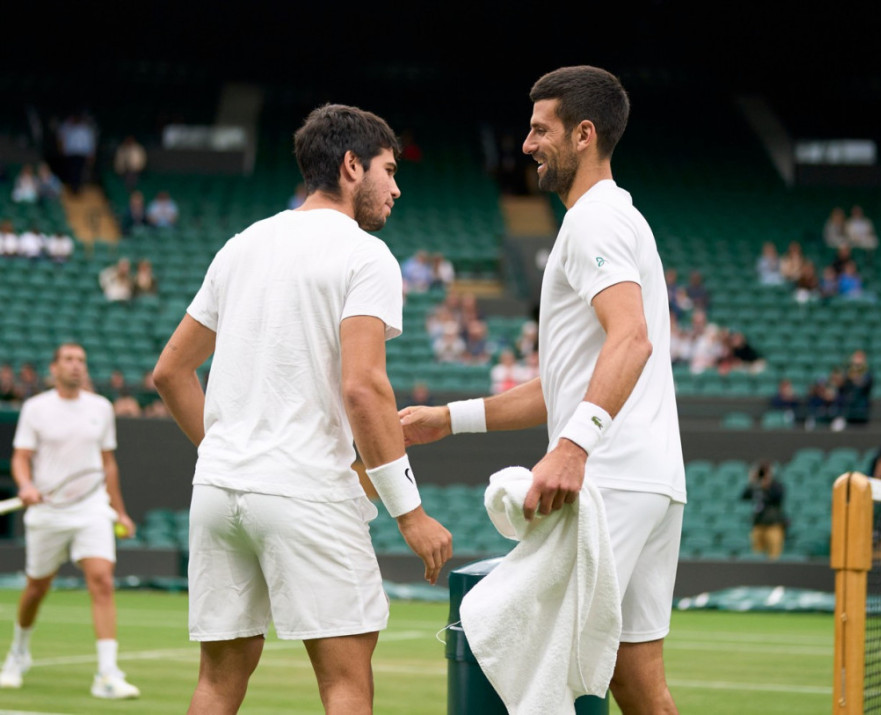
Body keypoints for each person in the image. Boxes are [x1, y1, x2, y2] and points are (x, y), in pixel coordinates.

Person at [399, 66, 684, 714]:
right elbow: (566, 382)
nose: (525, 143)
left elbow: (631, 340)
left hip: (609, 482)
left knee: (507, 645)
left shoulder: (593, 223)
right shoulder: (615, 219)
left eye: (539, 129)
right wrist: (447, 419)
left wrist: (573, 448)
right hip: (651, 480)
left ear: (584, 134)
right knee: (639, 685)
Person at [151, 103, 452, 715]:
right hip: (307, 492)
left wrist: (226, 451)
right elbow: (364, 388)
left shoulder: (242, 245)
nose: (396, 187)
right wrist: (411, 514)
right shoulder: (366, 256)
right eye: (389, 171)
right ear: (350, 166)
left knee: (217, 682)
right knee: (344, 683)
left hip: (217, 491)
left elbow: (170, 372)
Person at [0, 343, 139, 698]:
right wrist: (27, 484)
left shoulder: (101, 408)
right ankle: (17, 654)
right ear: (54, 367)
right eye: (69, 360)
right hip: (47, 511)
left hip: (92, 508)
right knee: (36, 589)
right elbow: (21, 457)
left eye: (81, 361)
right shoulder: (35, 408)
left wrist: (119, 510)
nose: (76, 366)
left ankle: (107, 674)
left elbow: (108, 464)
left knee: (102, 580)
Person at [740, 461, 787, 560]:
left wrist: (767, 484)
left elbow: (777, 496)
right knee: (757, 555)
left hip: (773, 524)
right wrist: (752, 481)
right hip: (758, 523)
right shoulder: (756, 486)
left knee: (774, 555)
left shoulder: (777, 485)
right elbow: (744, 496)